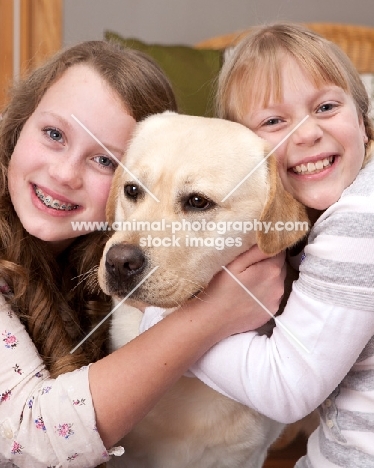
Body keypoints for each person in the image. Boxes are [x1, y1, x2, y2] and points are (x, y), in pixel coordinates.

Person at [0, 40, 285, 467]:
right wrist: (211, 316)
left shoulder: (92, 250)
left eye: (103, 160)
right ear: (17, 125)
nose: (63, 173)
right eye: (54, 134)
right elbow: (28, 441)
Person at [140, 22, 374, 467]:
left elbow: (289, 390)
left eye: (325, 106)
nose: (306, 134)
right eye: (273, 121)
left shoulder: (360, 221)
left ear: (363, 124)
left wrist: (160, 324)